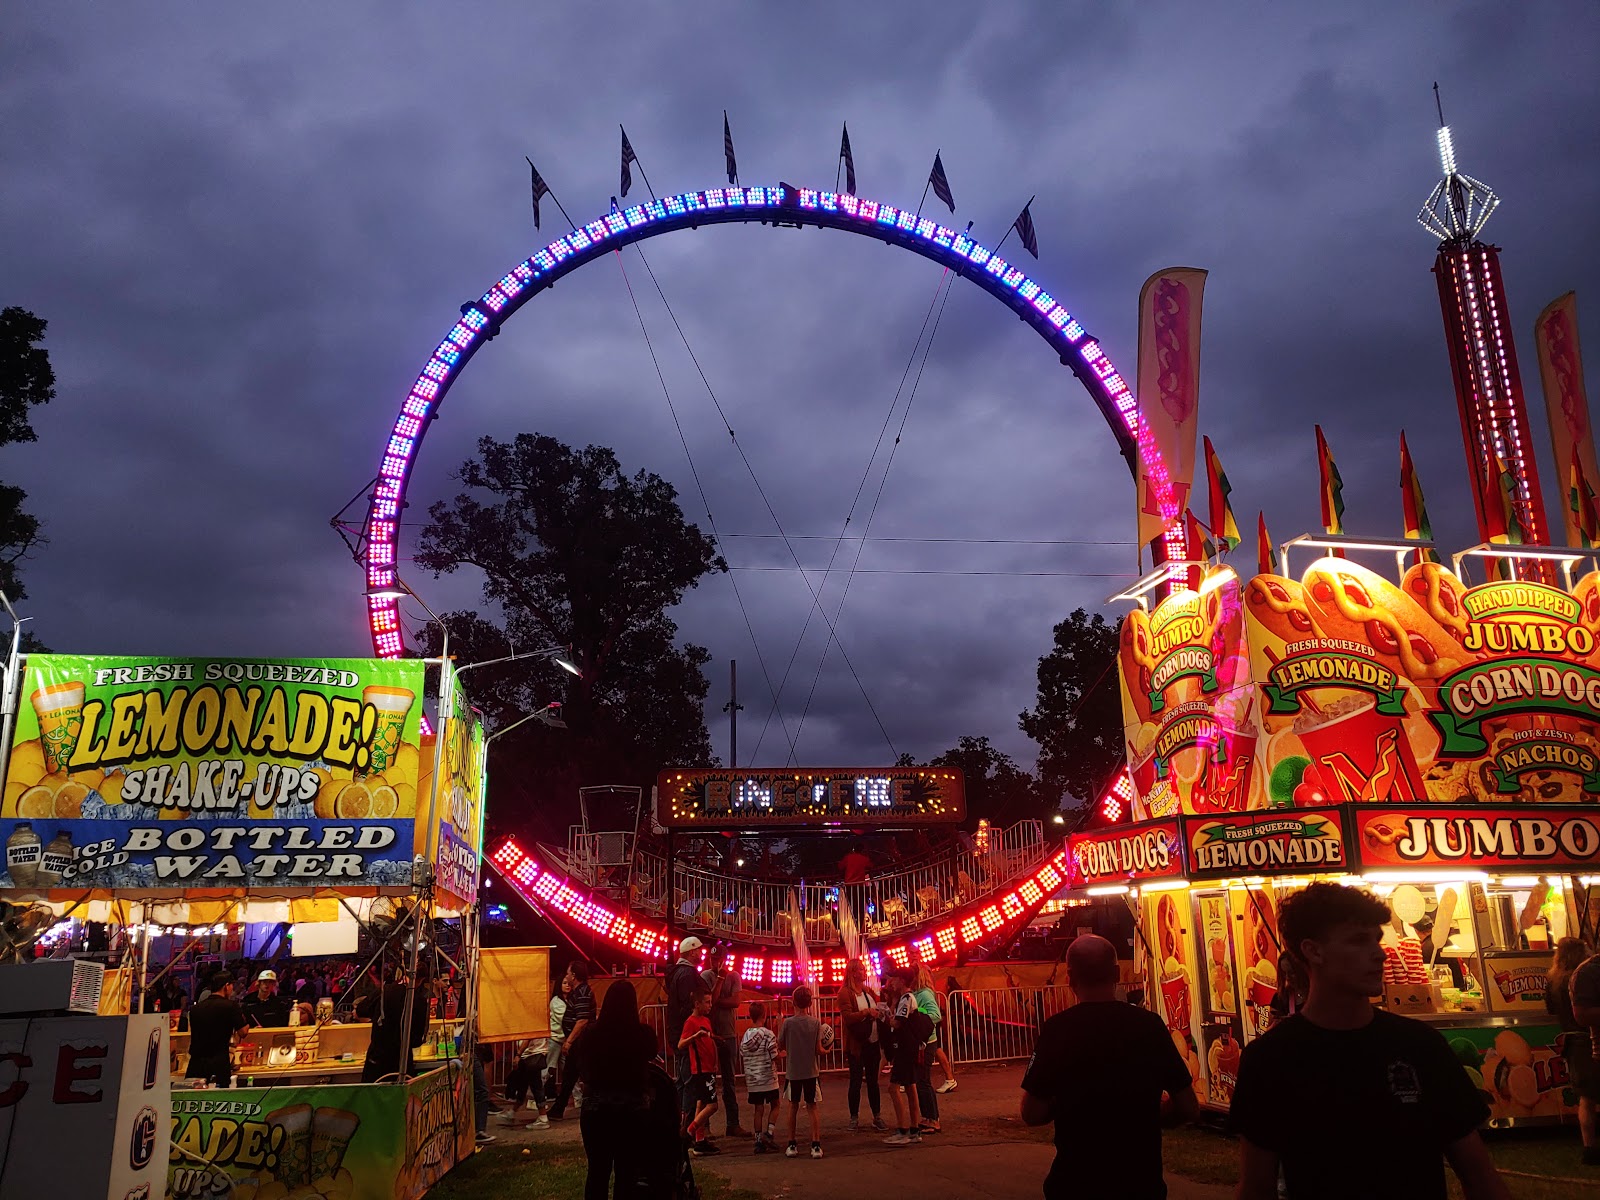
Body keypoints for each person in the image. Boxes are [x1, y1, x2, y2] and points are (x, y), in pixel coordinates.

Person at [1230, 883, 1510, 1200]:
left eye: (1376, 940)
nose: (1379, 953)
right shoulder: (1271, 1059)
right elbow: (1256, 1187)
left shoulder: (1420, 1046)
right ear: (1313, 951)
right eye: (1359, 941)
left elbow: (1480, 1176)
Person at [1021, 934, 1196, 1199]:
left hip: (1075, 1183)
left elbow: (1032, 1112)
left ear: (1069, 978)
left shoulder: (1057, 1030)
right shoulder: (1149, 1026)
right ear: (1116, 973)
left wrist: (1070, 1105)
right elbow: (1188, 1106)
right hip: (1140, 1182)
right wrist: (1150, 1113)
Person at [571, 980, 658, 1200]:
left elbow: (577, 1061)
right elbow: (652, 1053)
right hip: (632, 1109)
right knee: (626, 1173)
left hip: (596, 1108)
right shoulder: (642, 1034)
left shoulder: (591, 1034)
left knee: (597, 1171)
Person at [1549, 937, 1600, 1166]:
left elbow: (1550, 1010)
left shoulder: (1553, 980)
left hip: (1570, 1041)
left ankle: (1589, 1146)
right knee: (1591, 1096)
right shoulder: (1582, 976)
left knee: (1586, 1098)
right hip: (1587, 1038)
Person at [356, 964, 431, 1082]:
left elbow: (360, 1011)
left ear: (402, 974)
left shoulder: (384, 991)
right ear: (422, 980)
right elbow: (417, 1040)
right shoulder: (420, 1001)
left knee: (372, 1099)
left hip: (377, 1062)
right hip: (402, 1064)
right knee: (401, 1099)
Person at [702, 948, 748, 1136]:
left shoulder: (735, 976)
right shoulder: (706, 976)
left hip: (728, 1034)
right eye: (713, 958)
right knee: (707, 1080)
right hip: (711, 1034)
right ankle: (705, 1126)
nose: (715, 961)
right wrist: (720, 981)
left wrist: (716, 1000)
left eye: (718, 958)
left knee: (729, 1080)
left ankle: (733, 1123)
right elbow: (710, 1002)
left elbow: (736, 1001)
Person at [881, 969, 928, 1146]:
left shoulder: (907, 999)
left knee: (894, 1088)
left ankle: (903, 1130)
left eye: (894, 979)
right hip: (909, 1048)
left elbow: (896, 1023)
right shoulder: (904, 999)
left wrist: (882, 1015)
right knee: (910, 1087)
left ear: (902, 980)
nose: (891, 982)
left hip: (905, 1049)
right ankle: (914, 1130)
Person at [777, 984, 824, 1159]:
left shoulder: (788, 1023)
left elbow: (780, 1044)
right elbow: (819, 1049)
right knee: (812, 1106)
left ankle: (791, 1143)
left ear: (794, 1002)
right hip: (811, 1071)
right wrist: (826, 1050)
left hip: (793, 1071)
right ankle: (816, 1144)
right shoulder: (816, 1022)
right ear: (810, 1003)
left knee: (793, 1106)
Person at [664, 936, 706, 1128]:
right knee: (689, 1081)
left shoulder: (676, 973)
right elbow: (689, 1005)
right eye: (698, 950)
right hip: (687, 1035)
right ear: (691, 952)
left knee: (682, 1079)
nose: (701, 953)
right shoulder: (688, 975)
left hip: (677, 1033)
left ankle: (678, 1122)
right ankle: (688, 1127)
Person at [547, 960, 597, 1120]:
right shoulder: (578, 992)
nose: (566, 976)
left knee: (583, 1075)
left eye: (568, 973)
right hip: (578, 1042)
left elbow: (582, 1020)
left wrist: (569, 1041)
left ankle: (593, 1105)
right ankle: (559, 1109)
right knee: (570, 1076)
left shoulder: (582, 993)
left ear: (574, 975)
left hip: (580, 1042)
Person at [841, 959, 885, 1132]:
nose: (864, 971)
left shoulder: (867, 992)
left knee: (873, 1081)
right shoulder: (845, 993)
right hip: (857, 1045)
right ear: (853, 972)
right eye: (860, 969)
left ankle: (877, 1116)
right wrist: (867, 1013)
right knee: (856, 1081)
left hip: (872, 1041)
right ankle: (854, 1117)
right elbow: (848, 1017)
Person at [186, 970, 249, 1087]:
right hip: (219, 1064)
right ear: (226, 986)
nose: (232, 990)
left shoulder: (195, 1009)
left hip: (195, 1065)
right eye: (231, 986)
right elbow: (243, 1032)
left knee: (195, 1101)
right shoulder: (230, 1006)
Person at [679, 986, 721, 1156]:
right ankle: (689, 1131)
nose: (710, 1005)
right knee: (712, 1105)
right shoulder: (691, 1022)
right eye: (707, 1002)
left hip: (709, 1067)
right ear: (697, 1004)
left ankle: (699, 1141)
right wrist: (694, 1037)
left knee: (701, 1103)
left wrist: (715, 1061)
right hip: (700, 1069)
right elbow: (681, 1044)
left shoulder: (706, 1020)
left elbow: (710, 1042)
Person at [913, 963, 956, 1109]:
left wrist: (917, 1016)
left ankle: (931, 1116)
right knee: (922, 1078)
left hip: (926, 1037)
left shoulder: (924, 993)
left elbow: (935, 1015)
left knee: (924, 1080)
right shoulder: (918, 993)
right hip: (923, 1036)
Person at [740, 1000, 780, 1152]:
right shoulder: (768, 1034)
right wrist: (782, 1054)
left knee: (758, 1109)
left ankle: (758, 1141)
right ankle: (768, 1134)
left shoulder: (745, 1036)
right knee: (775, 1105)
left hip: (753, 1080)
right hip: (768, 1078)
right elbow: (774, 1055)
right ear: (764, 1015)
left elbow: (743, 1054)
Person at [498, 1033, 551, 1127]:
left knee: (536, 1086)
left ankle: (543, 1117)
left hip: (533, 1054)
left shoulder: (532, 1021)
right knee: (523, 1085)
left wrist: (518, 1054)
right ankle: (512, 1112)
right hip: (529, 1054)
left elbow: (528, 1037)